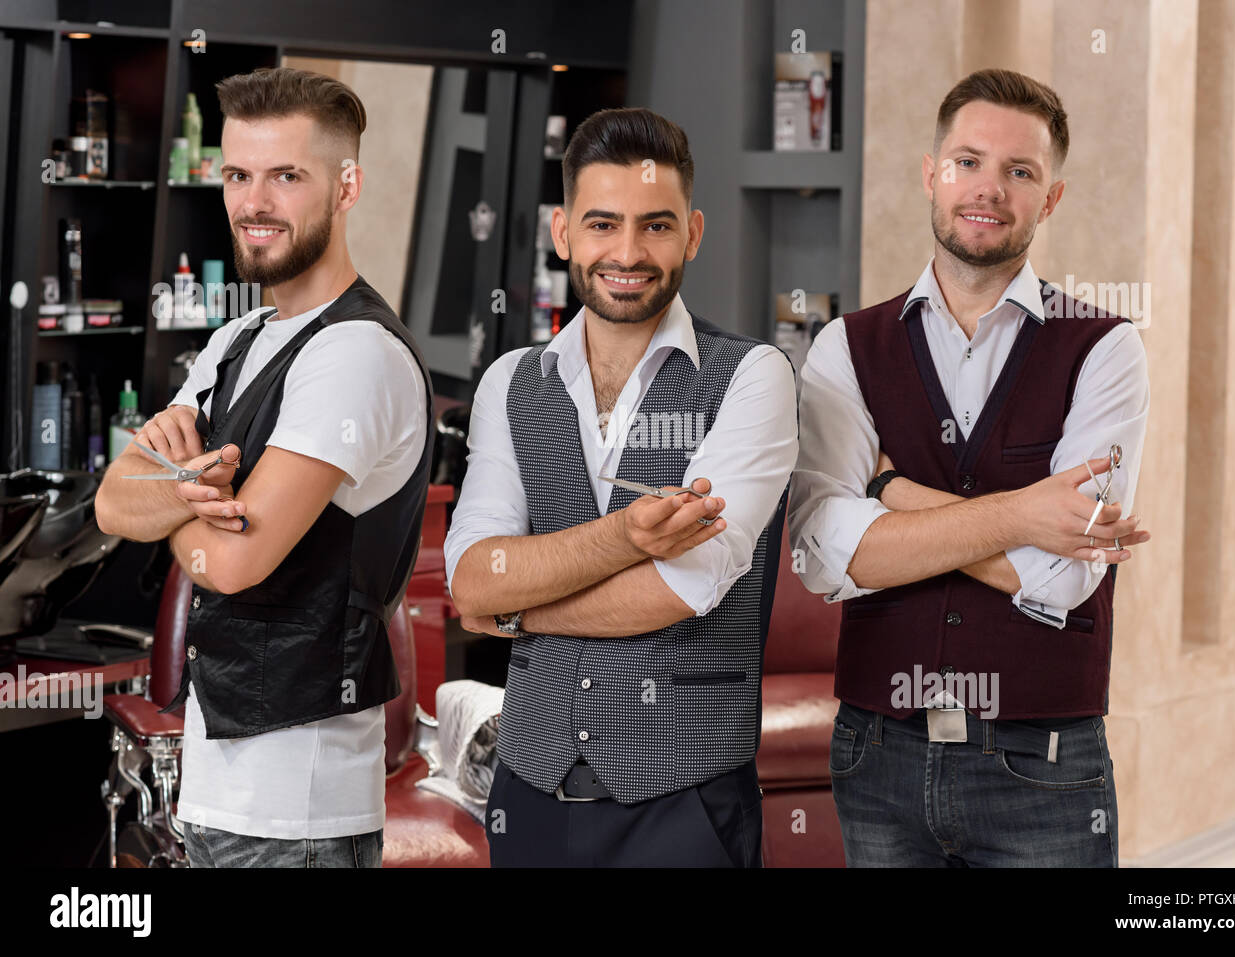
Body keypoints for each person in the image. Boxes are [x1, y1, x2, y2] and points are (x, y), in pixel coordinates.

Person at [788, 68, 1151, 867]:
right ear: (931, 173)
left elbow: (1062, 576)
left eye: (1020, 171)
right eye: (968, 162)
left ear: (1050, 197)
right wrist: (1022, 516)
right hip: (876, 752)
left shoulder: (1106, 349)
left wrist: (891, 495)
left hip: (1041, 765)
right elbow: (821, 555)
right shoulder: (846, 348)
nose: (988, 189)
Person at [94, 67, 434, 868]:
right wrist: (192, 491)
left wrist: (170, 487)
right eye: (239, 175)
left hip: (302, 817)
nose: (254, 203)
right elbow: (113, 502)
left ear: (347, 185)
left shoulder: (356, 355)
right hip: (218, 793)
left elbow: (239, 561)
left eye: (287, 176)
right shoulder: (235, 345)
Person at [444, 107, 798, 867]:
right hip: (528, 797)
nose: (628, 252)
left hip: (685, 810)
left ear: (693, 234)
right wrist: (622, 538)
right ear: (562, 231)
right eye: (602, 224)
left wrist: (518, 606)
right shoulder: (511, 384)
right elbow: (472, 581)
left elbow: (681, 588)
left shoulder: (752, 378)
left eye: (657, 226)